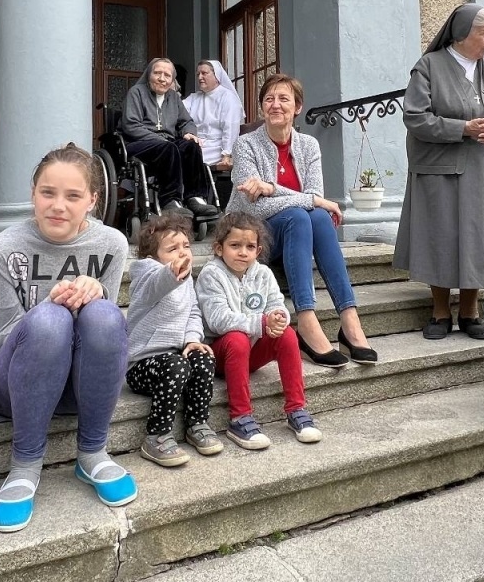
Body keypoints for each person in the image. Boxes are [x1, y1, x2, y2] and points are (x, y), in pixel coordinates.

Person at [0, 143, 134, 532]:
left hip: (80, 388)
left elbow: (102, 336)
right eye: (48, 193)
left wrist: (92, 295)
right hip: (15, 386)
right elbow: (2, 336)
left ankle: (93, 452)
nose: (58, 205)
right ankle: (25, 464)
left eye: (73, 196)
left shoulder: (111, 244)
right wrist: (47, 310)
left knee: (103, 312)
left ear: (92, 201)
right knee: (50, 320)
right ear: (33, 194)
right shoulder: (4, 248)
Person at [397, 3, 484, 341]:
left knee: (479, 237)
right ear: (461, 34)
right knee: (440, 236)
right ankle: (440, 312)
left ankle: (470, 312)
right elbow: (415, 117)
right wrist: (463, 128)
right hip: (441, 168)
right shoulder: (429, 66)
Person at [227, 72, 376, 368]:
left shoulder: (308, 146)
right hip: (253, 235)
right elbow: (250, 209)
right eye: (269, 99)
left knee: (318, 217)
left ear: (297, 107)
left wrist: (272, 189)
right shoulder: (245, 145)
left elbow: (314, 197)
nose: (275, 105)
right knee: (302, 213)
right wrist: (309, 200)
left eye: (284, 99)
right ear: (261, 108)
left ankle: (349, 319)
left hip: (298, 233)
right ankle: (306, 320)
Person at [197, 211, 320, 448]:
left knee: (287, 334)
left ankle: (297, 409)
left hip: (251, 351)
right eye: (235, 245)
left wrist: (278, 318)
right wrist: (262, 323)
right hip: (220, 354)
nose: (243, 252)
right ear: (219, 248)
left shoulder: (263, 273)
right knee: (237, 338)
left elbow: (277, 305)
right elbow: (218, 320)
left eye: (250, 246)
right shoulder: (211, 274)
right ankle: (240, 418)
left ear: (258, 251)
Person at [124, 213, 222, 467]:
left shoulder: (186, 278)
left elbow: (192, 311)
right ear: (153, 257)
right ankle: (156, 436)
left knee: (203, 357)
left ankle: (197, 423)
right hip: (143, 366)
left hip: (175, 357)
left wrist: (192, 339)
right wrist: (172, 271)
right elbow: (158, 284)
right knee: (176, 365)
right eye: (172, 249)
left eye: (186, 246)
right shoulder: (146, 276)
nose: (182, 252)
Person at [120, 58, 216, 218]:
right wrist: (160, 140)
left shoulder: (173, 97)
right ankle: (170, 201)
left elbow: (186, 121)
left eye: (167, 75)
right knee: (170, 147)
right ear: (149, 74)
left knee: (191, 146)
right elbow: (131, 125)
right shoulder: (136, 93)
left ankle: (194, 198)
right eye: (157, 73)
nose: (162, 78)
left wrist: (188, 133)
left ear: (172, 79)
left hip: (167, 146)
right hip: (139, 144)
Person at [184, 59, 244, 205]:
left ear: (216, 76)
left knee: (188, 159)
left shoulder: (227, 97)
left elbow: (230, 127)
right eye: (198, 74)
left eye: (204, 73)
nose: (199, 77)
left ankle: (196, 198)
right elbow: (180, 114)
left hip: (218, 147)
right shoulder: (194, 98)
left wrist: (227, 153)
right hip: (197, 143)